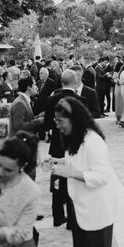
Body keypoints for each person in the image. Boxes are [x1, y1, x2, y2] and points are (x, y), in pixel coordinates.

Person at [51, 97, 117, 247]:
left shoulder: (93, 142)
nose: (58, 126)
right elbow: (75, 163)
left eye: (61, 122)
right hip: (79, 213)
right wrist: (56, 161)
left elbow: (103, 176)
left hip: (96, 215)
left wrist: (71, 173)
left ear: (75, 119)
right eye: (56, 121)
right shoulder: (75, 139)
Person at [44, 70, 86, 227]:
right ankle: (72, 219)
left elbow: (47, 124)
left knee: (57, 180)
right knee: (73, 178)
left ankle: (57, 215)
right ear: (75, 82)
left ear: (61, 82)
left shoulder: (51, 100)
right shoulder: (80, 100)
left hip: (57, 144)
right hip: (74, 144)